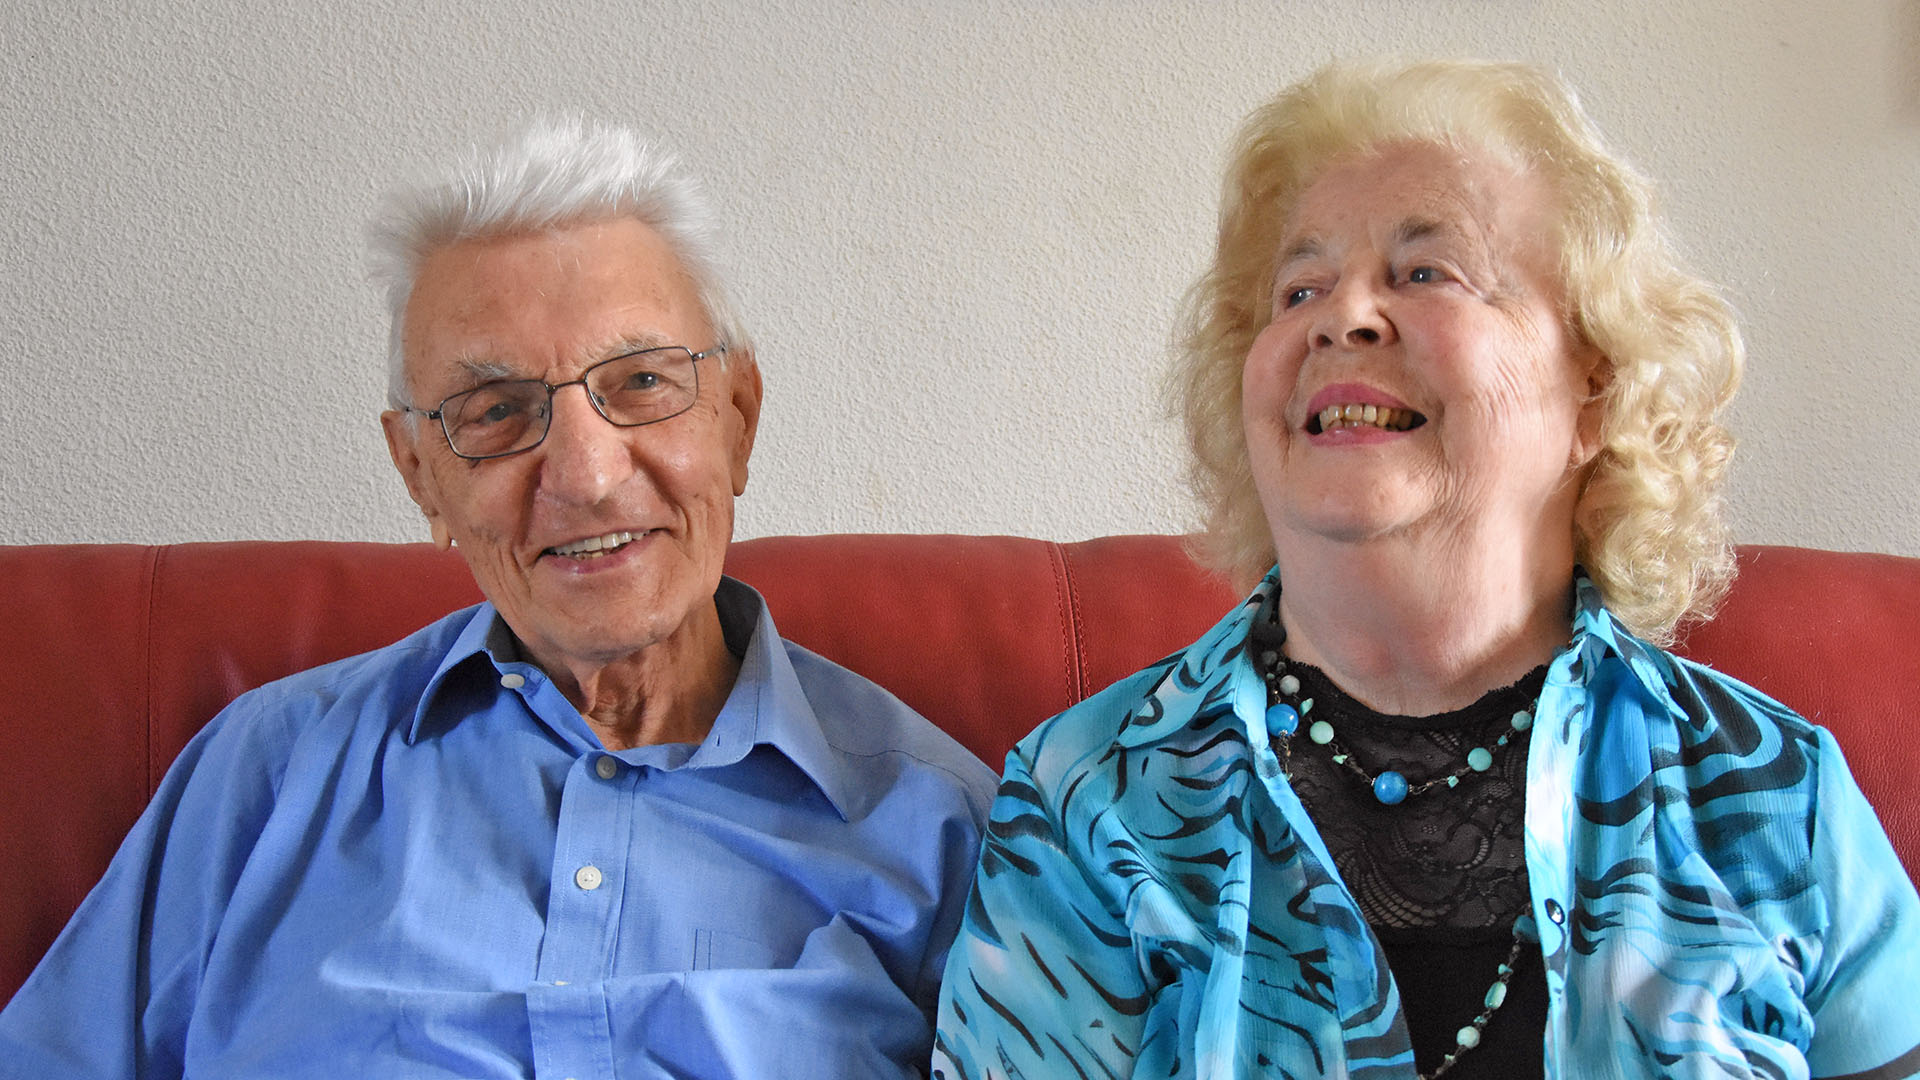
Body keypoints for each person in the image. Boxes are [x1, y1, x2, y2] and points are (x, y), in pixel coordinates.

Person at [933, 59, 1920, 1080]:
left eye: (1423, 271)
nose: (1340, 316)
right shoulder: (1090, 803)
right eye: (1300, 287)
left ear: (1593, 393)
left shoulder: (1774, 798)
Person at [0, 119, 996, 1078]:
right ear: (420, 474)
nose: (586, 474)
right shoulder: (265, 777)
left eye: (642, 381)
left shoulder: (941, 830)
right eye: (496, 412)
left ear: (736, 421)